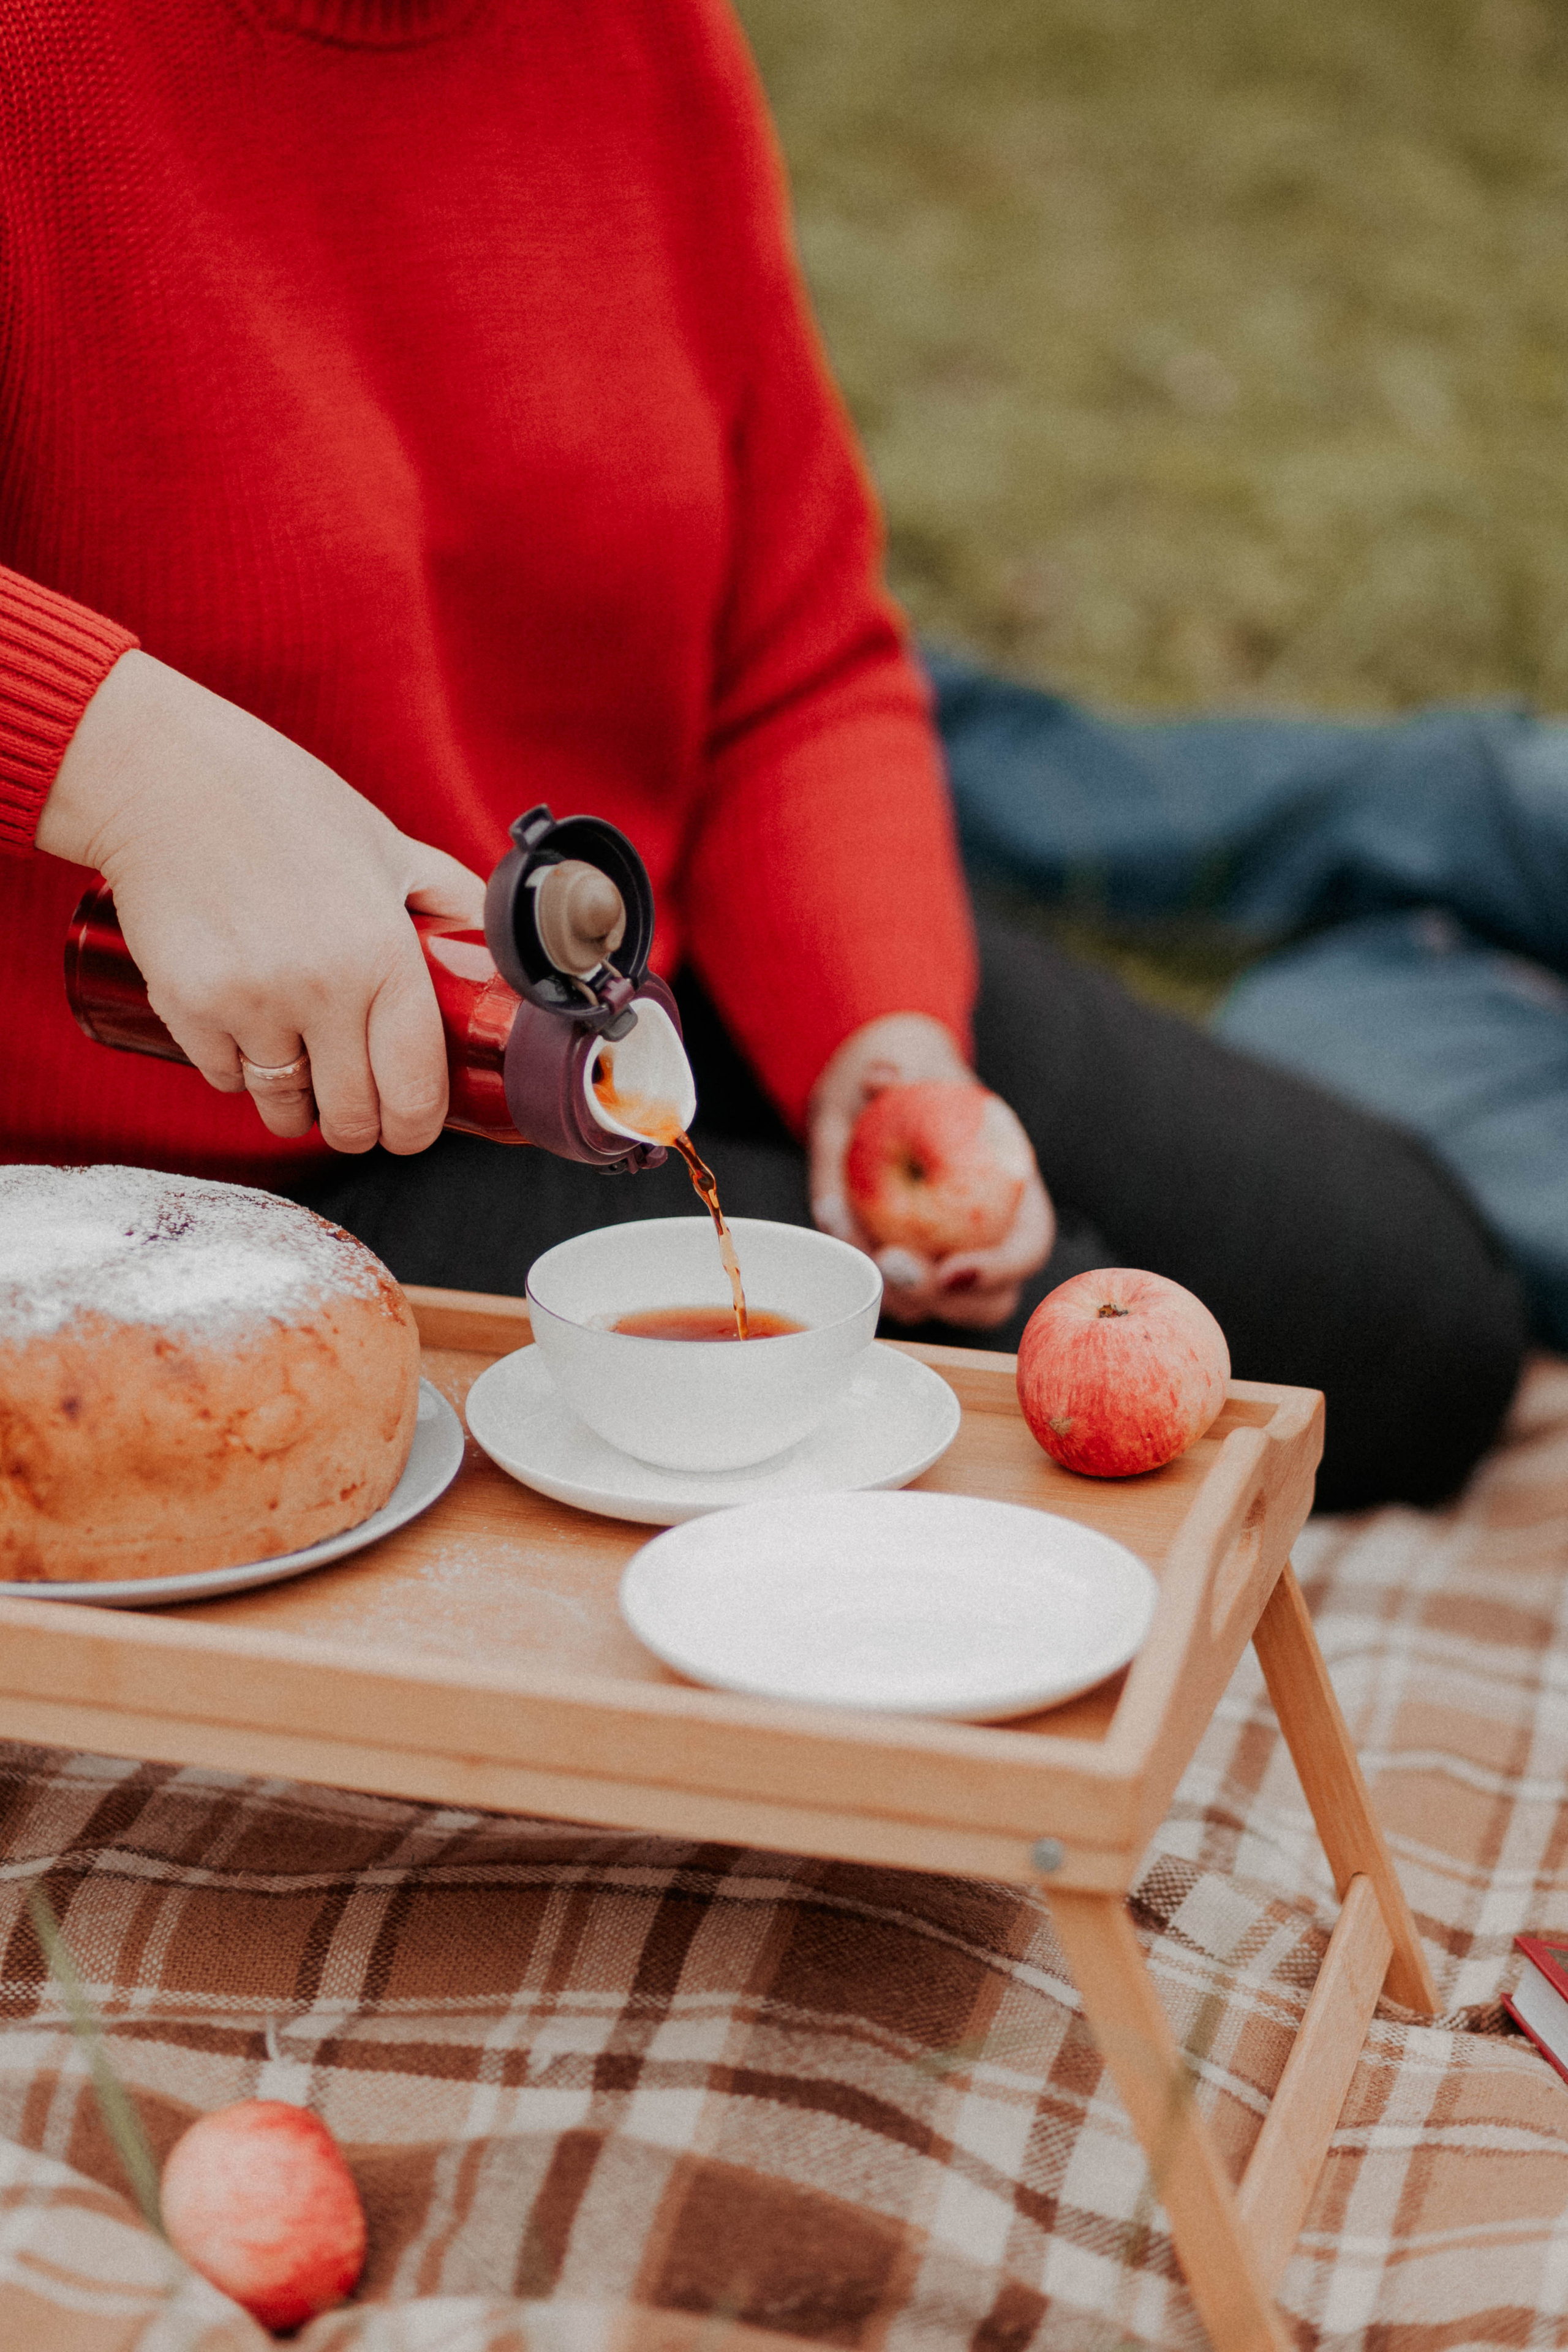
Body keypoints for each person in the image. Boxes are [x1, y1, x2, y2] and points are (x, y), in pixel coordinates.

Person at [0, 0, 1524, 1512]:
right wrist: (122, 758)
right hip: (224, 1157)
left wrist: (878, 1035)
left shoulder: (636, 36)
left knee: (1409, 1327)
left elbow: (795, 647)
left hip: (625, 979)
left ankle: (1381, 980)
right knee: (1017, 1425)